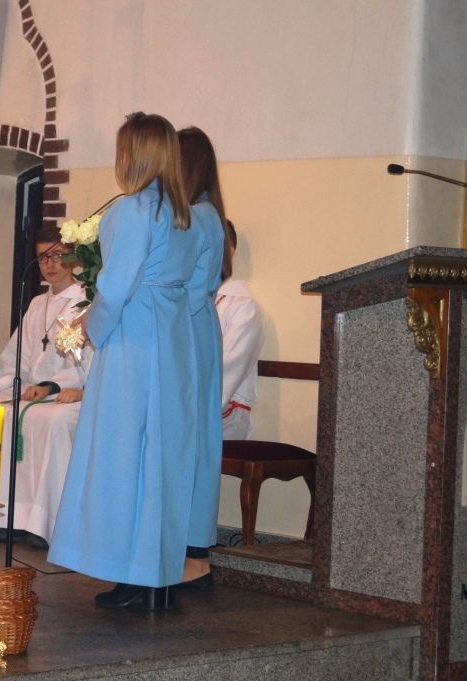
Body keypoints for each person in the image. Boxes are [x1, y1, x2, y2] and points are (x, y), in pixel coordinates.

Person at [49, 112, 200, 610]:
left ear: (132, 154)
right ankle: (158, 572)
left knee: (123, 451)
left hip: (135, 340)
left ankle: (133, 572)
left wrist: (89, 328)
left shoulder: (133, 211)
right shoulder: (185, 214)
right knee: (162, 455)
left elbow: (115, 288)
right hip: (171, 337)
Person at [0, 228, 92, 548]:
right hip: (32, 390)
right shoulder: (38, 303)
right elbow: (18, 355)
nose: (50, 264)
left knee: (45, 422)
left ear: (73, 257)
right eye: (43, 258)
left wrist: (52, 386)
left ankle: (36, 519)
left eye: (57, 256)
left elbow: (87, 361)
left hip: (69, 392)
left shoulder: (85, 300)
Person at [177, 126, 227, 590]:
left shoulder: (195, 216)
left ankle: (193, 555)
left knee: (189, 439)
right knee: (196, 438)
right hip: (198, 327)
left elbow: (187, 285)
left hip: (187, 328)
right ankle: (193, 551)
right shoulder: (209, 213)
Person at [217, 220, 264, 440]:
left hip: (224, 415)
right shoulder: (190, 300)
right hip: (186, 407)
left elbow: (225, 373)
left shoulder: (243, 306)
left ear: (229, 251)